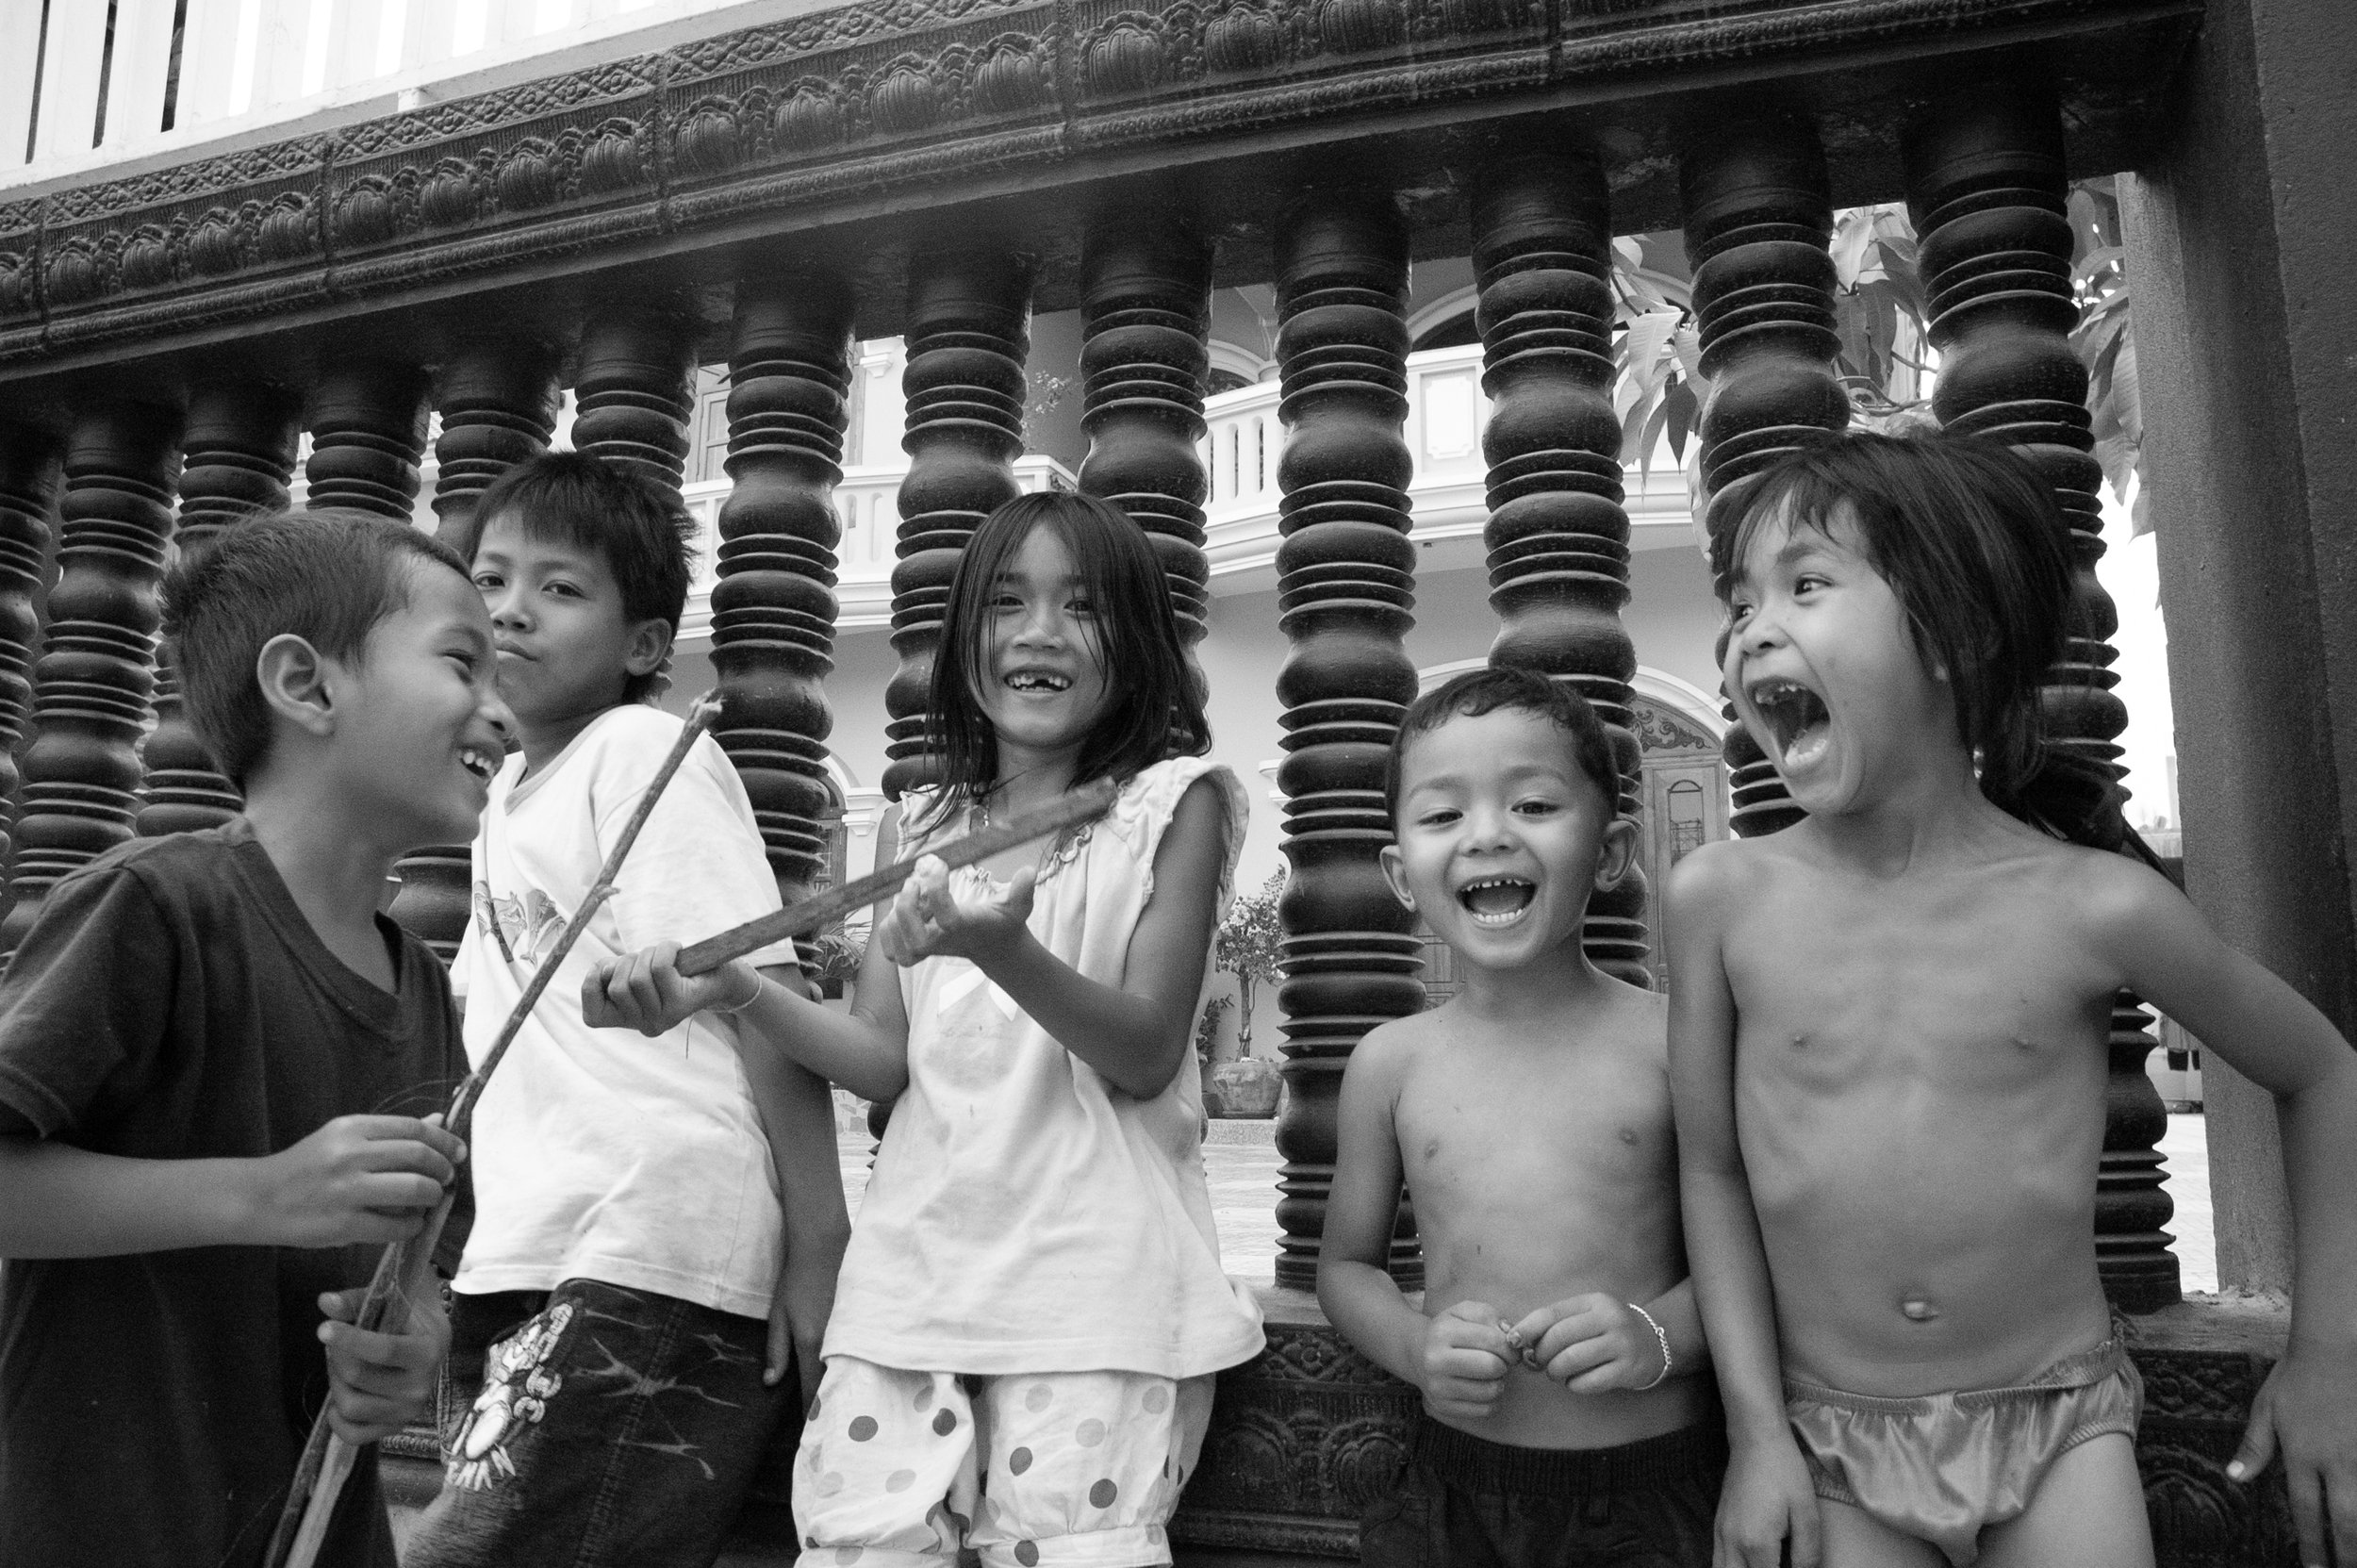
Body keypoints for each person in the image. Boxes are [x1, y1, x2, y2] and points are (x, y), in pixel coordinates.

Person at [1669, 430, 2357, 1568]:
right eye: (1740, 603)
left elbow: (2323, 1071)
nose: (1751, 629)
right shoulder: (1720, 900)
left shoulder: (2094, 905)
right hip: (1826, 1434)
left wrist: (2330, 1350)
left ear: (1958, 633)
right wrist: (1754, 1435)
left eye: (1805, 584)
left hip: (2058, 1422)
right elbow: (1712, 1171)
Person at [587, 489, 1265, 1568]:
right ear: (962, 639)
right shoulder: (919, 824)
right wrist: (736, 992)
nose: (1039, 632)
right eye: (1006, 602)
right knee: (859, 1545)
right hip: (906, 1290)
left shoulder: (1169, 805)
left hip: (1095, 1296)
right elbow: (881, 1058)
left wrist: (1001, 948)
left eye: (1082, 606)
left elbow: (1144, 1052)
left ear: (1137, 641)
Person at [0, 510, 500, 1567]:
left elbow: (421, 1262)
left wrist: (411, 1341)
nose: (497, 710)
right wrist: (263, 1194)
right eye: (462, 662)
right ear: (305, 684)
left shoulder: (421, 985)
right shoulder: (156, 906)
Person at [404, 452, 850, 1568]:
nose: (511, 609)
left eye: (559, 588)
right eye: (491, 578)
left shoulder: (642, 751)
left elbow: (759, 987)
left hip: (651, 1243)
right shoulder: (504, 794)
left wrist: (821, 1240)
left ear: (645, 645)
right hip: (533, 1247)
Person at [1319, 665, 1722, 1568]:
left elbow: (1755, 1259)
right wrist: (1416, 1345)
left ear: (1611, 854)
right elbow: (1345, 1267)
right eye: (1442, 814)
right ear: (1400, 873)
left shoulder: (1672, 1044)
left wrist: (1657, 1336)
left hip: (1653, 1485)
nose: (1488, 834)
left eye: (1534, 805)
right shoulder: (1390, 1064)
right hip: (1459, 1487)